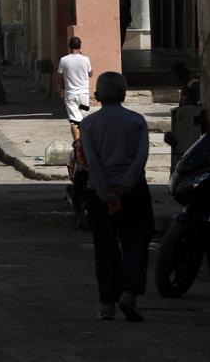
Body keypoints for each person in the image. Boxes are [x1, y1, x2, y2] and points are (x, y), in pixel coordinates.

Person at [80, 71, 152, 322]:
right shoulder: (137, 121)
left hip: (100, 194)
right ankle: (129, 293)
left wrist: (106, 192)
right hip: (133, 192)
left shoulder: (88, 124)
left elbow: (93, 162)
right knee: (136, 243)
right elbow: (141, 157)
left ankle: (106, 303)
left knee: (105, 247)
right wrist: (124, 186)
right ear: (123, 94)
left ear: (98, 95)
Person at [56, 37, 93, 142]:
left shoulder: (64, 60)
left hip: (70, 95)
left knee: (74, 120)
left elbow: (58, 77)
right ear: (80, 46)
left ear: (69, 46)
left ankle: (77, 143)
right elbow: (90, 74)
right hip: (83, 96)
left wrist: (58, 89)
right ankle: (85, 141)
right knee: (84, 116)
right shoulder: (86, 59)